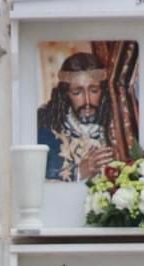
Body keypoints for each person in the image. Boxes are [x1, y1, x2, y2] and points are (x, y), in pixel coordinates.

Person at [36, 47, 138, 182]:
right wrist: (79, 172)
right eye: (77, 92)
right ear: (65, 94)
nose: (87, 101)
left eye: (94, 91)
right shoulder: (47, 126)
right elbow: (38, 176)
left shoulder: (119, 124)